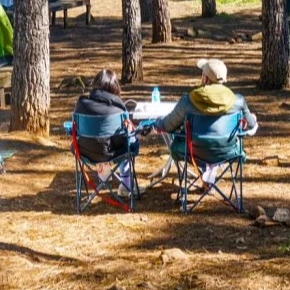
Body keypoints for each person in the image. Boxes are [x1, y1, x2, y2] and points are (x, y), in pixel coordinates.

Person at [153, 59, 258, 163]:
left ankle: (204, 171)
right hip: (228, 152)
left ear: (205, 78)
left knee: (175, 146)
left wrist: (155, 123)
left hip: (193, 151)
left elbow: (167, 126)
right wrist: (252, 118)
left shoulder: (188, 101)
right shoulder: (238, 101)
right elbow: (251, 125)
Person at [73, 69, 140, 197]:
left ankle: (106, 176)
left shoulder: (81, 104)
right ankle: (126, 184)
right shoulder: (118, 110)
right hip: (110, 153)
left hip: (85, 151)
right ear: (115, 88)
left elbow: (74, 129)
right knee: (129, 141)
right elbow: (122, 139)